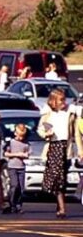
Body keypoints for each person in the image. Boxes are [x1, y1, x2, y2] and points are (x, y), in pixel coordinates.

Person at [38, 88, 76, 217]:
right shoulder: (49, 115)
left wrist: (80, 151)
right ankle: (62, 207)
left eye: (64, 99)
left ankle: (59, 204)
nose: (63, 102)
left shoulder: (69, 113)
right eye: (61, 100)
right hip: (54, 147)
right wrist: (46, 134)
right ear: (54, 101)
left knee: (62, 178)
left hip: (66, 147)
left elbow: (75, 133)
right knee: (57, 177)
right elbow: (41, 129)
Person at [4, 122, 32, 214]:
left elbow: (28, 154)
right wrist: (17, 154)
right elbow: (6, 153)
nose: (21, 138)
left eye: (23, 137)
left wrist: (25, 155)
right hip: (12, 166)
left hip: (21, 167)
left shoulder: (26, 144)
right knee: (14, 185)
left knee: (21, 188)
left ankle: (19, 204)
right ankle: (12, 203)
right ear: (15, 133)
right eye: (19, 136)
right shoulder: (11, 142)